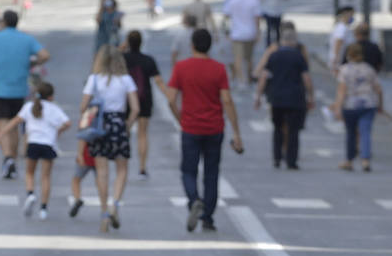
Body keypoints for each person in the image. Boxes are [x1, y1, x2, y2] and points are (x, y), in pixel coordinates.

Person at [166, 29, 245, 232]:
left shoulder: (181, 67)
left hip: (190, 128)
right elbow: (226, 99)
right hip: (214, 128)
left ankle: (194, 200)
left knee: (188, 170)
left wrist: (180, 118)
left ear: (192, 45)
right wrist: (236, 132)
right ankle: (208, 217)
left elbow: (171, 99)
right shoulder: (219, 69)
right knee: (211, 173)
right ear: (210, 46)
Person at [0, 10, 49, 179]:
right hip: (19, 89)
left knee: (2, 124)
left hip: (0, 89)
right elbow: (45, 55)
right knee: (15, 126)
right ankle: (12, 161)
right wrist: (33, 63)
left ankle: (8, 157)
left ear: (4, 22)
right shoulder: (26, 39)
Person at [78, 47, 140, 233]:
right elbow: (135, 108)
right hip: (118, 123)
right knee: (122, 168)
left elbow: (83, 106)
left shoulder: (94, 79)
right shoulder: (126, 80)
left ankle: (104, 212)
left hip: (99, 125)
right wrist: (127, 126)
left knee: (102, 171)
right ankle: (116, 204)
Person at [0, 82, 69, 220]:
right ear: (51, 97)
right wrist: (58, 131)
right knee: (45, 177)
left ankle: (30, 194)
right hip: (48, 145)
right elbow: (67, 123)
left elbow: (14, 122)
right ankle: (44, 209)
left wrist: (0, 134)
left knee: (29, 173)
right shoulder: (54, 109)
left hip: (33, 144)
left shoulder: (29, 107)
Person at [254, 25, 313, 170]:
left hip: (276, 97)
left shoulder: (274, 55)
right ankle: (291, 160)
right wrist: (311, 96)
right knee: (293, 130)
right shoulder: (298, 56)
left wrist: (258, 96)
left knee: (278, 128)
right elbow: (306, 78)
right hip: (295, 98)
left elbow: (263, 76)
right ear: (294, 41)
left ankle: (277, 158)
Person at [333, 44, 383, 172]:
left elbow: (341, 91)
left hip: (350, 105)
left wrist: (337, 107)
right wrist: (380, 104)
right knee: (365, 132)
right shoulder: (368, 69)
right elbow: (378, 89)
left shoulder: (344, 70)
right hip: (368, 104)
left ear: (349, 54)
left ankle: (349, 161)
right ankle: (365, 160)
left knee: (351, 133)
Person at [122, 30, 164, 178]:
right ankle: (142, 167)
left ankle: (123, 166)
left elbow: (108, 57)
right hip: (145, 98)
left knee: (124, 131)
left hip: (126, 99)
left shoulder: (122, 59)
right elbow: (158, 81)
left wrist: (122, 47)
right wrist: (169, 95)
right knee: (142, 134)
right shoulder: (148, 60)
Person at [222, 0, 262, 88]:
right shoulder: (254, 0)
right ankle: (249, 78)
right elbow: (257, 18)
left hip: (237, 33)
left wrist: (226, 30)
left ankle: (241, 80)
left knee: (238, 58)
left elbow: (226, 15)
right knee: (249, 58)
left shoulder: (233, 0)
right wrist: (258, 33)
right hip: (250, 32)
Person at [67, 138, 96, 219]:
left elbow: (83, 137)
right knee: (101, 181)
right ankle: (105, 206)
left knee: (76, 179)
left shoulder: (85, 124)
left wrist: (80, 154)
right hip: (100, 155)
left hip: (86, 154)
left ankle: (77, 199)